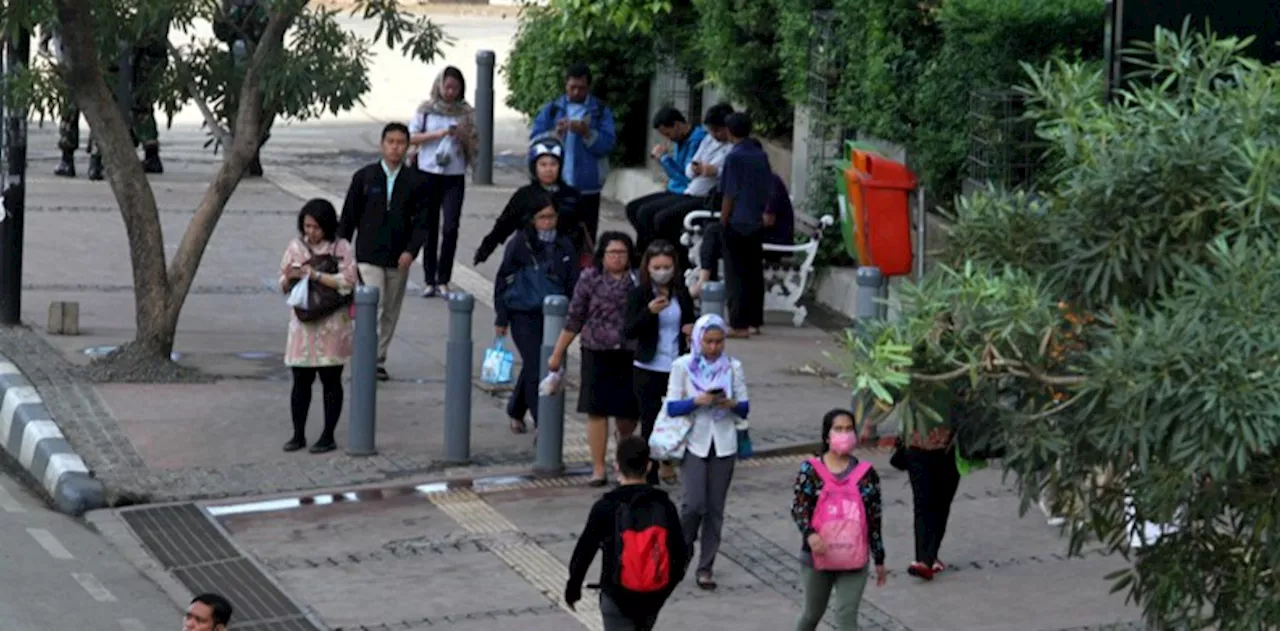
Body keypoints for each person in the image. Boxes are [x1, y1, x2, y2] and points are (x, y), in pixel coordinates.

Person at [337, 122, 431, 381]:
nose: (395, 147)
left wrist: (412, 251)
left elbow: (424, 223)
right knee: (372, 305)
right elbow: (348, 217)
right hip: (368, 255)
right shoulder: (365, 177)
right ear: (382, 144)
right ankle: (365, 355)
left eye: (401, 142)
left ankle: (379, 358)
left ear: (408, 146)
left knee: (391, 310)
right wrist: (340, 251)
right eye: (390, 142)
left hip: (399, 257)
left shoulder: (416, 181)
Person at [565, 436, 688, 631]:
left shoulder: (606, 505)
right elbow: (681, 552)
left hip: (616, 594)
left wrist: (573, 588)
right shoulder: (664, 504)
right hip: (652, 597)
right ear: (648, 466)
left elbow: (585, 550)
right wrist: (665, 588)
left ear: (616, 467)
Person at [548, 232, 641, 486]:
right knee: (596, 411)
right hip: (595, 350)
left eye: (622, 253)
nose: (617, 258)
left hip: (629, 351)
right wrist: (558, 352)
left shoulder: (637, 279)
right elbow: (575, 317)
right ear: (603, 254)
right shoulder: (590, 277)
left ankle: (623, 457)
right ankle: (598, 468)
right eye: (612, 253)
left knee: (628, 414)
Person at [666, 313, 749, 590]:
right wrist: (696, 401)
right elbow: (671, 407)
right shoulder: (683, 366)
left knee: (715, 509)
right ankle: (681, 552)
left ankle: (706, 567)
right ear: (698, 339)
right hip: (694, 441)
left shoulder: (733, 367)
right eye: (709, 341)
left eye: (719, 342)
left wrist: (729, 404)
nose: (714, 347)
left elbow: (745, 407)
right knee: (692, 504)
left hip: (723, 443)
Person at [792, 409, 888, 630]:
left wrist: (879, 557)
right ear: (827, 435)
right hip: (817, 557)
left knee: (846, 618)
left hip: (854, 557)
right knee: (811, 614)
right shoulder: (811, 470)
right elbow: (799, 507)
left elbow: (874, 517)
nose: (844, 434)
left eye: (848, 429)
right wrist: (810, 534)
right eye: (838, 429)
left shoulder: (866, 474)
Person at [494, 198, 580, 434]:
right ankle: (541, 419)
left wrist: (575, 315)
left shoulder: (564, 244)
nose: (547, 222)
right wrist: (501, 317)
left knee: (539, 363)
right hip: (523, 313)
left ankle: (515, 409)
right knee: (536, 365)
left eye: (551, 217)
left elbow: (573, 280)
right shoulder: (520, 243)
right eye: (542, 217)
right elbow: (503, 279)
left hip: (554, 315)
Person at [278, 199, 358, 453]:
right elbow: (282, 282)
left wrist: (316, 275)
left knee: (330, 379)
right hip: (302, 324)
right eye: (307, 226)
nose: (310, 232)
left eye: (316, 227)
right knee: (300, 380)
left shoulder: (341, 247)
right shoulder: (294, 247)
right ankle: (298, 434)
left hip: (332, 325)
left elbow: (348, 281)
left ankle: (328, 435)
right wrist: (289, 277)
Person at [625, 240, 696, 485]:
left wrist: (691, 329)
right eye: (657, 266)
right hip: (648, 366)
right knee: (650, 420)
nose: (662, 271)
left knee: (678, 416)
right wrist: (649, 313)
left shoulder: (681, 292)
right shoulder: (639, 294)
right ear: (648, 267)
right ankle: (650, 471)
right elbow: (629, 330)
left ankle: (670, 462)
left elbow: (689, 320)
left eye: (667, 266)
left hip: (676, 365)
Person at [410, 66, 479, 298]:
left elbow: (475, 142)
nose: (450, 92)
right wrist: (437, 135)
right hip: (427, 172)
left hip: (454, 174)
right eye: (447, 87)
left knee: (450, 226)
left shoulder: (466, 112)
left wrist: (462, 136)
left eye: (455, 88)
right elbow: (412, 137)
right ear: (439, 86)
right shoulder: (427, 110)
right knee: (429, 227)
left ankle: (444, 278)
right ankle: (429, 279)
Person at [530, 63, 616, 243]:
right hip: (556, 183)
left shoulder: (599, 111)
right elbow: (535, 142)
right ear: (565, 86)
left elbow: (607, 144)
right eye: (572, 88)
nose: (576, 92)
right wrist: (555, 134)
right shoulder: (552, 109)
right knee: (553, 234)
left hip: (588, 186)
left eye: (581, 88)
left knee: (586, 236)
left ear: (588, 88)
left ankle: (585, 271)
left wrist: (586, 133)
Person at [475, 138, 586, 266]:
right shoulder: (524, 195)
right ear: (534, 167)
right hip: (528, 258)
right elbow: (504, 224)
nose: (548, 170)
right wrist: (487, 247)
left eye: (553, 164)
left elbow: (584, 228)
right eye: (543, 165)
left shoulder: (572, 195)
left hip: (563, 259)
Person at [691, 172, 795, 308]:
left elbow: (768, 220)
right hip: (755, 235)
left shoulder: (770, 183)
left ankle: (704, 284)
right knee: (714, 234)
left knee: (716, 233)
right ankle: (709, 291)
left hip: (773, 241)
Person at [718, 112, 773, 338]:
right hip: (756, 219)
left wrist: (723, 219)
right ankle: (754, 321)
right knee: (753, 272)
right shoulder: (760, 155)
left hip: (737, 220)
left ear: (729, 131)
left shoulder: (734, 157)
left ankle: (738, 323)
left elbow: (729, 193)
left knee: (735, 273)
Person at [625, 106, 706, 251]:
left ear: (677, 125)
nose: (668, 138)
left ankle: (658, 253)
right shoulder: (679, 140)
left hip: (687, 192)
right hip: (674, 189)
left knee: (648, 214)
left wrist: (664, 159)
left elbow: (687, 178)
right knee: (632, 208)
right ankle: (645, 253)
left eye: (668, 134)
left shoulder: (697, 140)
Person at [903, 388, 962, 581]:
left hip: (950, 448)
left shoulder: (956, 373)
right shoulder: (910, 371)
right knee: (923, 502)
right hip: (917, 447)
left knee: (942, 503)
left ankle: (931, 555)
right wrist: (869, 423)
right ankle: (923, 559)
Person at [212, 0, 271, 177]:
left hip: (261, 64)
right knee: (237, 112)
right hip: (237, 70)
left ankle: (252, 156)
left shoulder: (263, 6)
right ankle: (245, 157)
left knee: (259, 112)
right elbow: (222, 32)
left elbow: (270, 27)